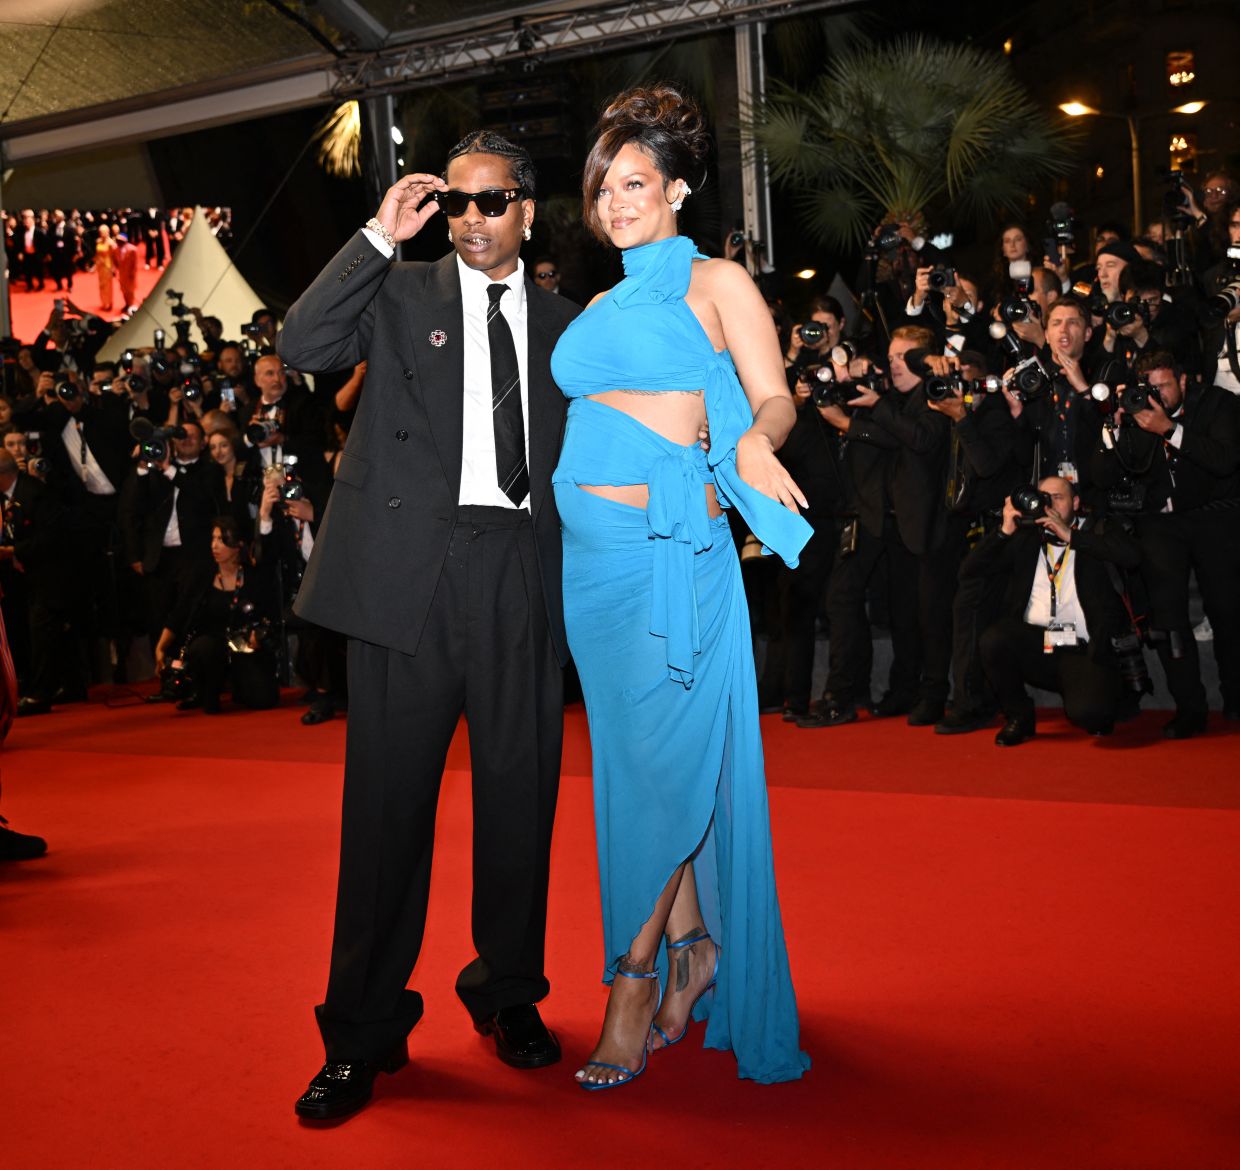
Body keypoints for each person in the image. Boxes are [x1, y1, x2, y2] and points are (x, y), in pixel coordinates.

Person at [278, 130, 580, 1121]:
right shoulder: (397, 295)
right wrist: (377, 235)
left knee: (518, 808)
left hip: (519, 580)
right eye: (455, 203)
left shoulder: (569, 325)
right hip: (405, 582)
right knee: (385, 821)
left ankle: (506, 992)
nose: (471, 219)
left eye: (491, 201)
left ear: (528, 211)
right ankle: (361, 1033)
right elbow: (302, 345)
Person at [550, 84, 811, 1089]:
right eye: (601, 188)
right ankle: (694, 952)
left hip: (677, 561)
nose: (613, 203)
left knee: (664, 771)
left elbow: (775, 397)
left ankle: (630, 976)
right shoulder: (598, 304)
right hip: (594, 573)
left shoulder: (715, 282)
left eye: (631, 185)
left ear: (676, 190)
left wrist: (753, 434)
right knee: (639, 772)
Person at [966, 477, 1141, 746]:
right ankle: (1019, 717)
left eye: (1057, 497)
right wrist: (1004, 530)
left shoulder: (1097, 531)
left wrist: (1072, 536)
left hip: (1084, 650)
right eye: (1043, 497)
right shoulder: (1026, 537)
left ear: (1076, 503)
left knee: (1093, 716)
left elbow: (1132, 556)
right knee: (994, 639)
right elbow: (969, 571)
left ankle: (1110, 695)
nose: (1049, 504)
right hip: (1037, 645)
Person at [154, 516, 279, 713]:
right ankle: (205, 691)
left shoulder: (254, 577)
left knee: (263, 699)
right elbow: (180, 612)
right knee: (204, 648)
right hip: (211, 644)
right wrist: (161, 647)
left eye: (221, 540)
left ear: (238, 545)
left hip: (242, 646)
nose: (215, 545)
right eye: (213, 539)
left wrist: (259, 633)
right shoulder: (202, 575)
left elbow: (268, 613)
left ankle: (239, 685)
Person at [94, 224, 116, 312]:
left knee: (108, 286)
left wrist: (114, 268)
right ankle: (103, 302)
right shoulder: (98, 241)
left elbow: (114, 256)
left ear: (108, 232)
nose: (102, 234)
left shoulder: (111, 243)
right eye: (101, 232)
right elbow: (97, 254)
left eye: (104, 232)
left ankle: (109, 302)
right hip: (100, 266)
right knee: (101, 285)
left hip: (108, 266)